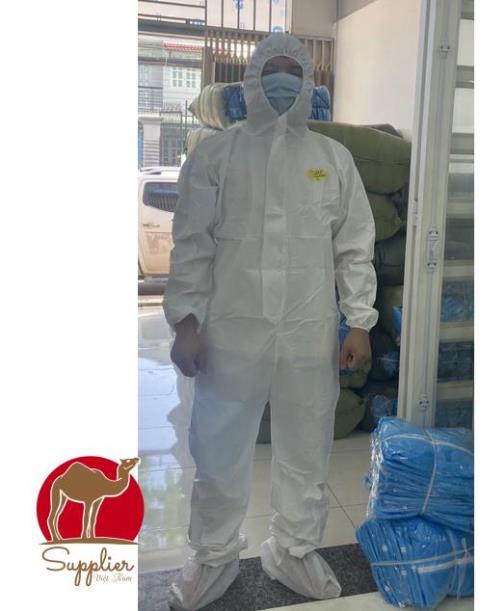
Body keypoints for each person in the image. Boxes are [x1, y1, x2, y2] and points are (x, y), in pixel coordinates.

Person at [163, 32, 378, 610]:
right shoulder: (217, 155)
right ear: (252, 80)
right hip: (231, 331)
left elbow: (355, 244)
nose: (283, 80)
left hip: (308, 329)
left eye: (293, 71)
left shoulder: (331, 159)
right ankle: (213, 556)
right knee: (219, 446)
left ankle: (294, 550)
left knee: (307, 445)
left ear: (309, 84)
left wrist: (359, 320)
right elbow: (192, 244)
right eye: (272, 69)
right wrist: (186, 321)